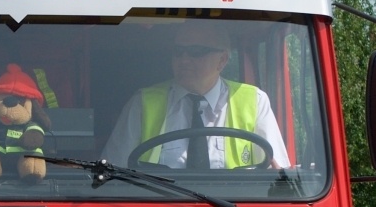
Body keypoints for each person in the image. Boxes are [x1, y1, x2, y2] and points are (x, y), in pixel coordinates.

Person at [101, 23, 291, 169]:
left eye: (196, 52)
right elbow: (112, 171)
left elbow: (277, 174)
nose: (184, 59)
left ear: (222, 60)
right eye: (178, 52)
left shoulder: (254, 101)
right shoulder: (143, 102)